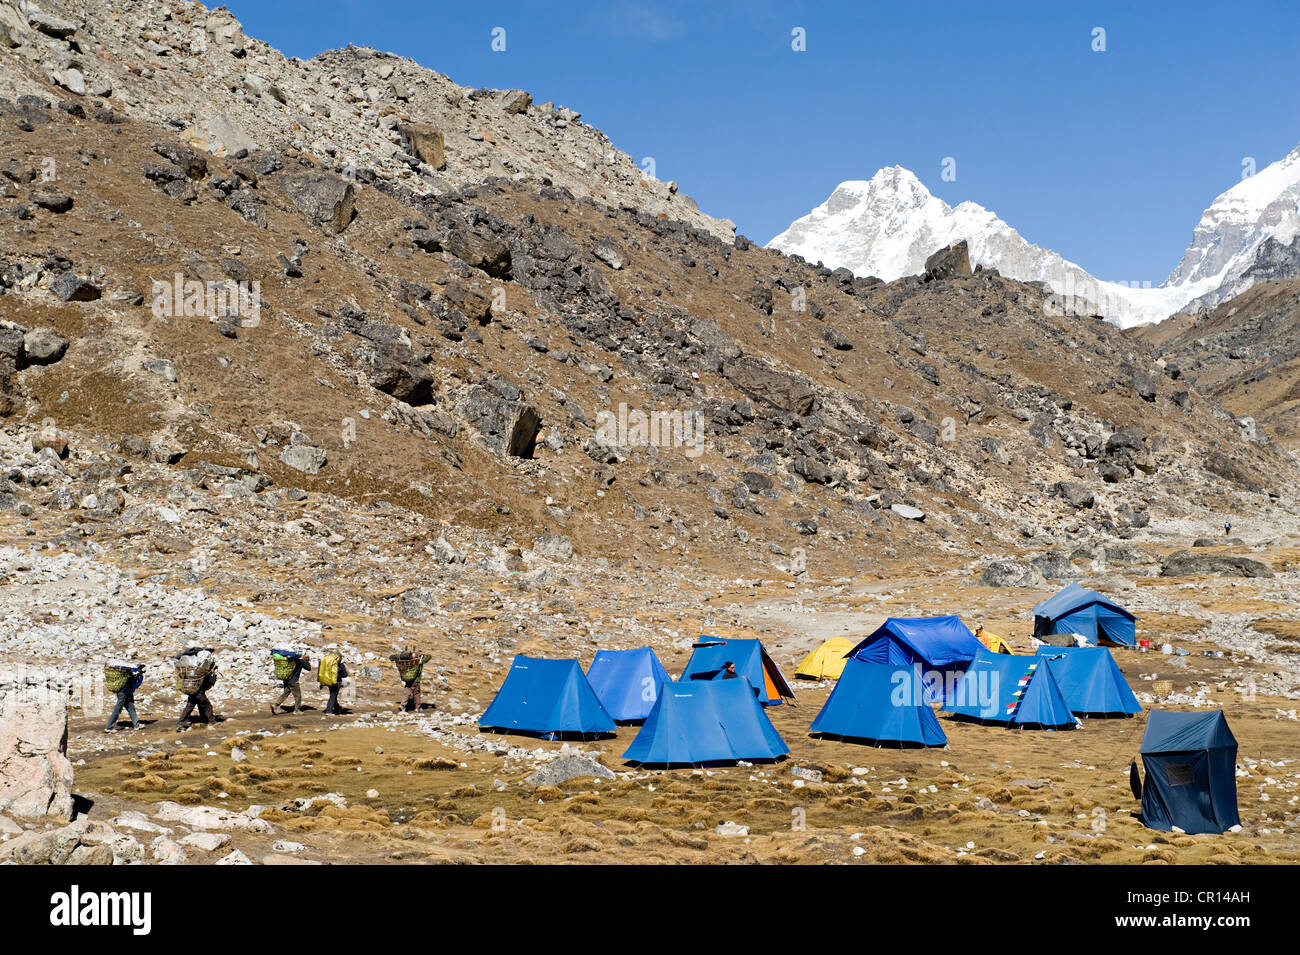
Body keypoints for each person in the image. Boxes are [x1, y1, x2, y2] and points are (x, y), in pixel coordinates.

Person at [105, 664, 143, 733]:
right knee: (118, 709)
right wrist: (140, 676)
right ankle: (109, 727)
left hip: (122, 692)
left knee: (131, 707)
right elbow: (136, 685)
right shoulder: (133, 676)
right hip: (124, 693)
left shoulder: (128, 673)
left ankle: (136, 725)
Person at [271, 650, 311, 714]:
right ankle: (297, 710)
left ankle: (276, 705)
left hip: (286, 679)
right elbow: (308, 668)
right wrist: (305, 660)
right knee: (298, 695)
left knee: (286, 693)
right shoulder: (300, 661)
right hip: (294, 680)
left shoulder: (291, 659)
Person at [320, 647, 348, 716]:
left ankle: (337, 708)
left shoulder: (326, 664)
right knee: (333, 695)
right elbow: (345, 675)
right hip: (337, 682)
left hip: (328, 681)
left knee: (333, 694)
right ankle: (329, 711)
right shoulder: (340, 665)